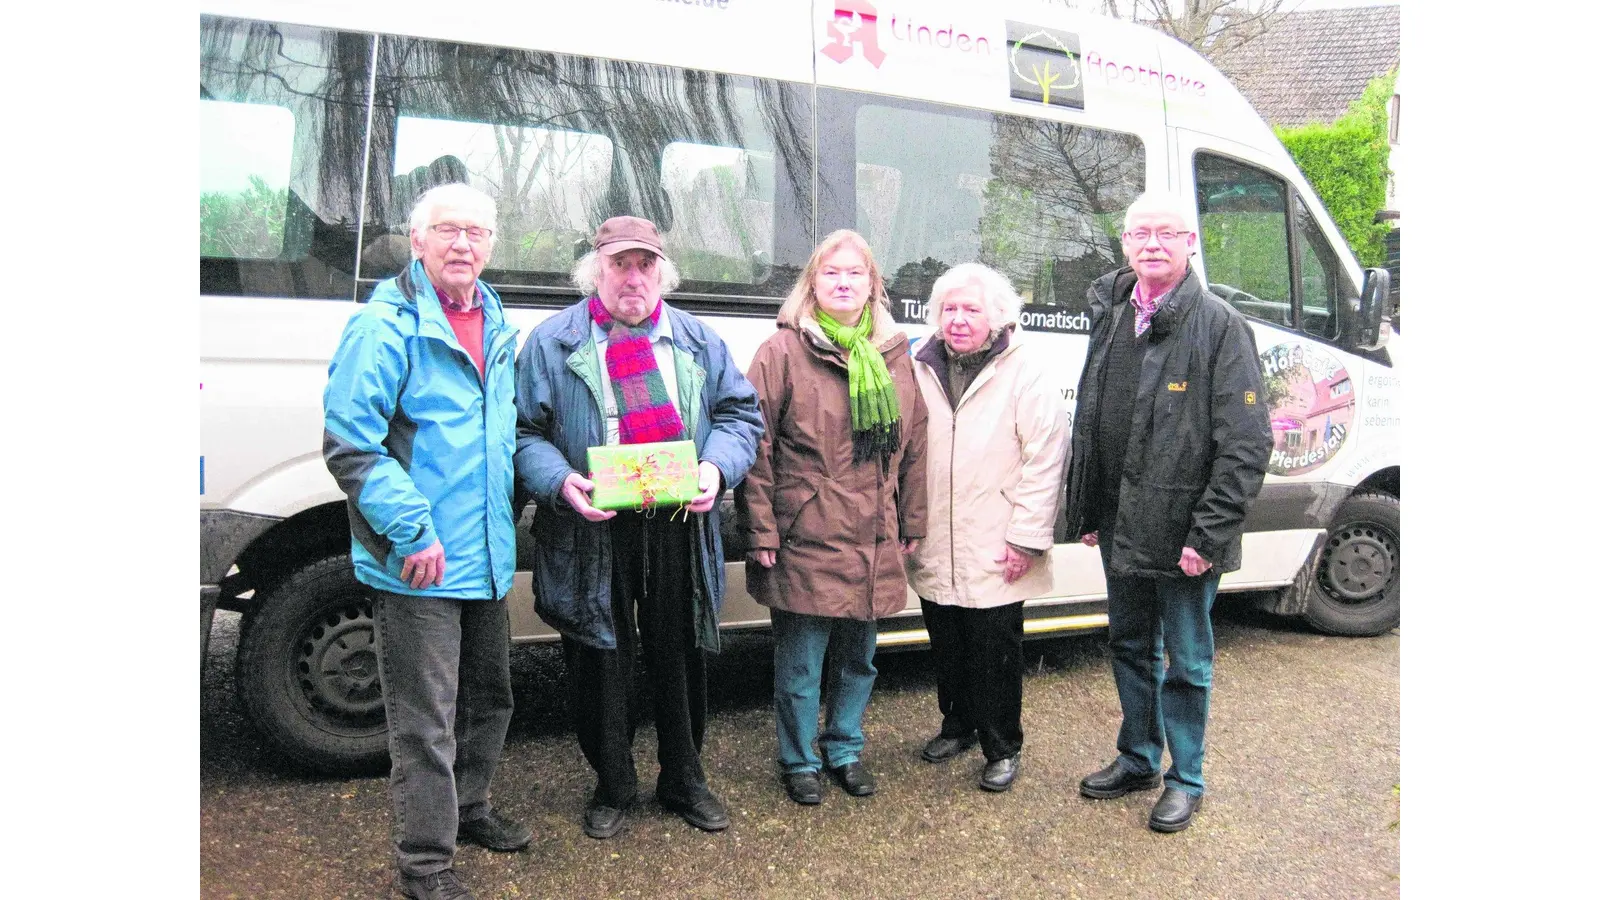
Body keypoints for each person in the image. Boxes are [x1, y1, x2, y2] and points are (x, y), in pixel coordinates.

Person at [513, 216, 763, 840]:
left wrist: (715, 467)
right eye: (619, 264)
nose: (633, 278)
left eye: (644, 264)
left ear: (661, 273)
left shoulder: (697, 339)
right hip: (590, 525)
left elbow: (741, 417)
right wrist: (559, 482)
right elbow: (522, 433)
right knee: (600, 653)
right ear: (595, 271)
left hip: (679, 520)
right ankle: (614, 783)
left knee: (681, 652)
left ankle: (684, 776)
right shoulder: (552, 342)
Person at [322, 183, 529, 900]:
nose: (463, 244)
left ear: (492, 244)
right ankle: (424, 867)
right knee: (425, 726)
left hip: (486, 557)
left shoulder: (496, 319)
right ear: (417, 240)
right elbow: (351, 445)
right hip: (421, 562)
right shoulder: (385, 327)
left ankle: (469, 809)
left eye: (477, 231)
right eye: (447, 230)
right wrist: (412, 529)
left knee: (489, 702)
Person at [1064, 191, 1272, 833]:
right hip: (1123, 522)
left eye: (1165, 234)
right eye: (1138, 234)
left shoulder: (1219, 325)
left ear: (1188, 243)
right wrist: (1088, 506)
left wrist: (1207, 536)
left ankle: (1186, 778)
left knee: (1187, 661)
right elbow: (1094, 418)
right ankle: (1136, 758)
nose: (1151, 245)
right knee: (1129, 645)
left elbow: (1246, 442)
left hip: (1186, 533)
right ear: (1124, 243)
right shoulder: (1111, 313)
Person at [736, 229, 929, 807]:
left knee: (859, 660)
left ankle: (844, 749)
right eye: (831, 273)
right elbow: (756, 446)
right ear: (812, 284)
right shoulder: (783, 351)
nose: (843, 283)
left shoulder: (896, 353)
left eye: (855, 274)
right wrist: (761, 530)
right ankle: (799, 760)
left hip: (874, 535)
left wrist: (911, 522)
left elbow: (914, 444)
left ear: (874, 285)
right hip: (806, 535)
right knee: (800, 666)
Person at [904, 263, 1069, 793]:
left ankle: (1002, 744)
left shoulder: (1026, 370)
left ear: (997, 316)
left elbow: (1046, 459)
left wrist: (1027, 539)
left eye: (971, 309)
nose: (958, 320)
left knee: (994, 649)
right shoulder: (919, 365)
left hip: (998, 536)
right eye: (949, 309)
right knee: (945, 638)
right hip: (938, 534)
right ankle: (958, 726)